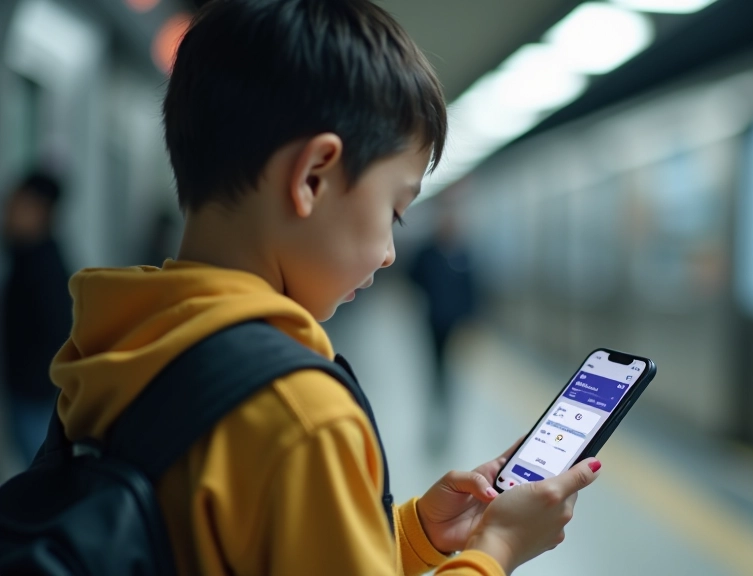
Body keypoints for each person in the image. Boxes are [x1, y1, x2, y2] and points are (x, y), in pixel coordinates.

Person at [47, 1, 601, 575]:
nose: (389, 254)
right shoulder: (303, 416)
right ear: (313, 177)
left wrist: (412, 533)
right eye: (394, 210)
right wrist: (498, 548)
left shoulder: (116, 340)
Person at [2, 171, 72, 465]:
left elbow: (58, 332)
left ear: (40, 211)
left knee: (37, 479)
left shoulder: (44, 268)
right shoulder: (25, 257)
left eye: (18, 203)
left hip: (36, 396)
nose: (8, 211)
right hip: (26, 392)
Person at [410, 209, 476, 449]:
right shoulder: (428, 253)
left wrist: (470, 320)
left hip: (455, 325)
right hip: (432, 322)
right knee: (434, 370)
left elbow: (473, 290)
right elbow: (413, 276)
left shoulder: (463, 254)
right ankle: (434, 417)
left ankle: (447, 418)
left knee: (451, 372)